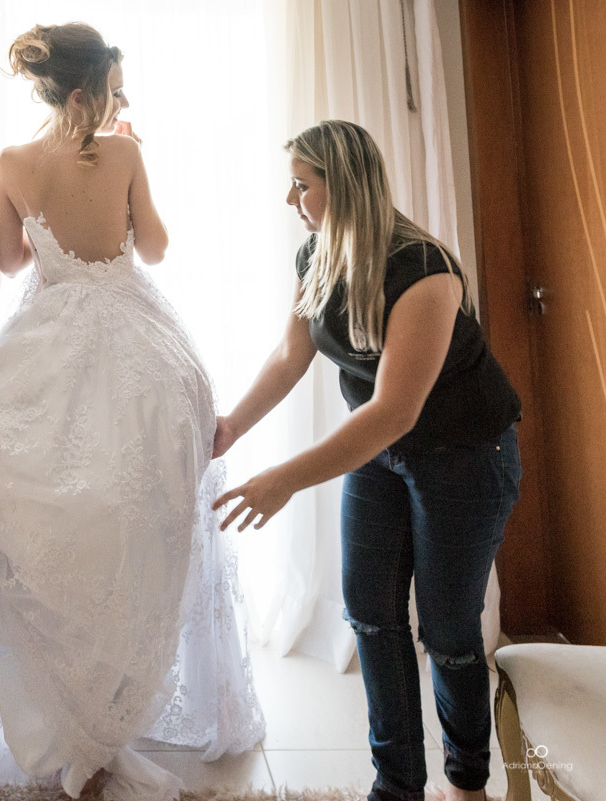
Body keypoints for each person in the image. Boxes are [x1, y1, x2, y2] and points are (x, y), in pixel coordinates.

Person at [0, 23, 264, 801]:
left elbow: (19, 262)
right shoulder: (126, 152)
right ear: (84, 93)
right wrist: (127, 194)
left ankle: (62, 708)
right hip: (138, 335)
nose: (120, 104)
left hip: (50, 331)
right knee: (138, 515)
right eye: (115, 90)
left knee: (36, 521)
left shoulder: (12, 162)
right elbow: (155, 249)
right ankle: (109, 705)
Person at [212, 120, 522, 801]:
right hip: (382, 456)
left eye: (302, 185)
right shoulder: (314, 255)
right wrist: (232, 425)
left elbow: (394, 410)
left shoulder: (424, 268)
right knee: (372, 614)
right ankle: (397, 786)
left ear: (344, 185)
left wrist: (283, 480)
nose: (290, 200)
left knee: (446, 628)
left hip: (465, 454)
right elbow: (290, 355)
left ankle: (467, 782)